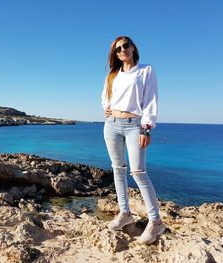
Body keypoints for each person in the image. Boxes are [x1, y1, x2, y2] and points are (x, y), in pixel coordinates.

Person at [101, 36, 166, 245]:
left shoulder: (146, 71)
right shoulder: (112, 74)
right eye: (118, 48)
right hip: (111, 124)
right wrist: (107, 108)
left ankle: (156, 221)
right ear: (115, 54)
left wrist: (146, 128)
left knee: (138, 172)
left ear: (133, 47)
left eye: (125, 46)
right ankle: (125, 213)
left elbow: (150, 101)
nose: (122, 50)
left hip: (134, 125)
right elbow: (104, 97)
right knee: (117, 169)